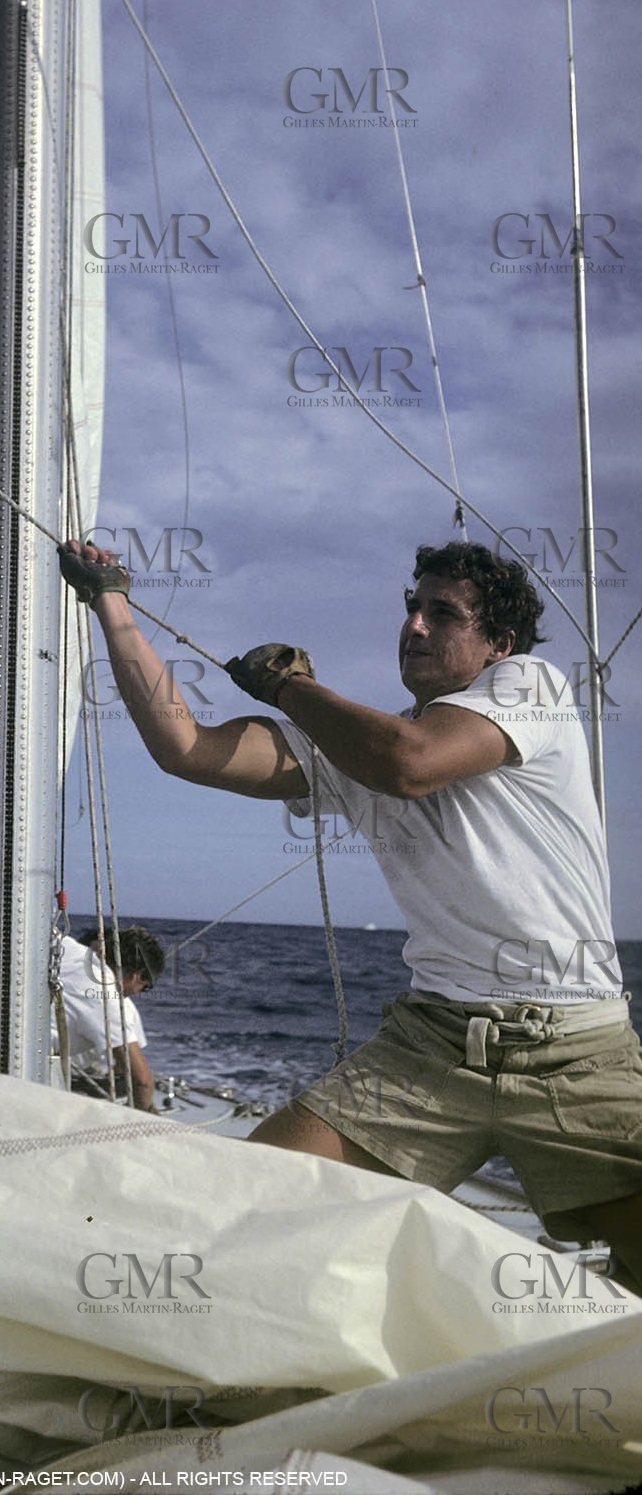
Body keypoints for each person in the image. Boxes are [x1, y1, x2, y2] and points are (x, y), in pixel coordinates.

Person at [59, 537, 642, 1287]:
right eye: (412, 608)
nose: (417, 626)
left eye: (443, 613)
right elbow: (187, 749)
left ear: (497, 644)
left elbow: (410, 763)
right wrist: (111, 603)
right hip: (430, 1050)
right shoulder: (352, 747)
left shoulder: (528, 685)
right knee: (234, 1220)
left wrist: (290, 688)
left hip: (573, 1051)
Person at [54, 924, 164, 1110]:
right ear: (137, 976)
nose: (139, 993)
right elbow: (142, 1081)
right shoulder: (107, 998)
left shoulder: (69, 947)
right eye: (146, 986)